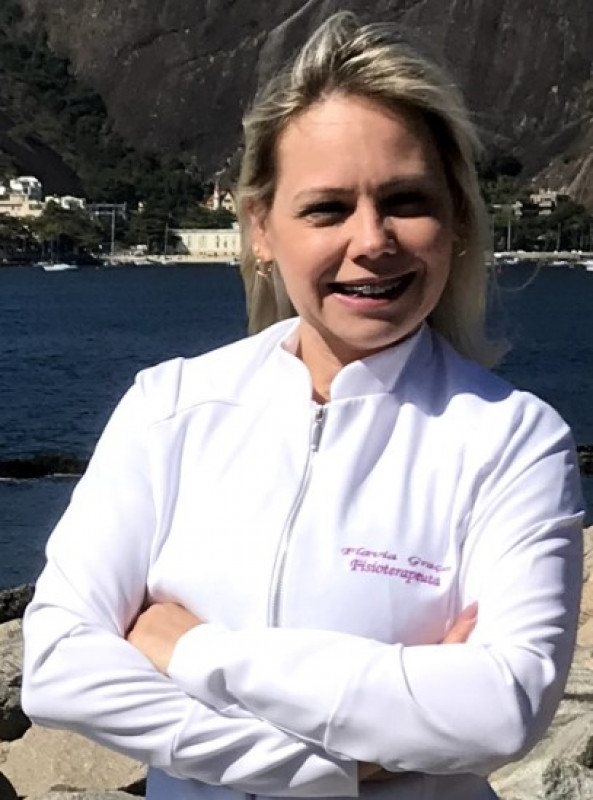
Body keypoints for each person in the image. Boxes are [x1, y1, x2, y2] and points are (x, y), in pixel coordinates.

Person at [22, 11, 583, 800]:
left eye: (406, 200)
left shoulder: (512, 440)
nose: (372, 240)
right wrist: (342, 763)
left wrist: (195, 653)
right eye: (327, 208)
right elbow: (57, 668)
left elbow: (500, 710)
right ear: (262, 228)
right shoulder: (170, 406)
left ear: (455, 218)